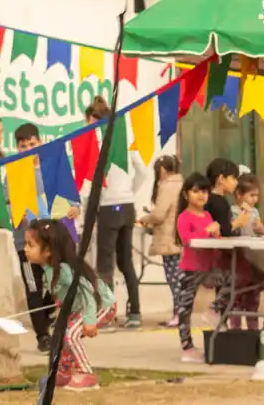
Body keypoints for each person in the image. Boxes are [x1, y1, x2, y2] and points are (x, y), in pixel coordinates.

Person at [25, 219, 115, 392]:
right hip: (81, 308)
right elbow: (64, 296)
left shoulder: (65, 271)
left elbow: (88, 291)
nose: (26, 249)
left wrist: (90, 320)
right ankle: (65, 372)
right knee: (61, 335)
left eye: (31, 245)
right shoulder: (49, 270)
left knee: (71, 336)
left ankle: (86, 373)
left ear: (49, 250)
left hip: (101, 305)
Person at [83, 96, 143, 329]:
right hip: (127, 206)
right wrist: (130, 191)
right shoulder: (125, 140)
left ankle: (106, 314)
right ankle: (135, 312)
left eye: (88, 123)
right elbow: (143, 171)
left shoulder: (95, 143)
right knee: (126, 262)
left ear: (95, 121)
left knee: (105, 264)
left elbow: (91, 183)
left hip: (108, 207)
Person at [12, 123, 56, 352]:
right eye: (23, 146)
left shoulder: (51, 167)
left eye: (32, 144)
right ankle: (42, 336)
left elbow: (67, 195)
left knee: (58, 283)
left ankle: (47, 314)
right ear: (17, 148)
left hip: (51, 241)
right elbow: (5, 205)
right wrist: (14, 215)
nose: (28, 149)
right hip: (25, 244)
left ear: (40, 143)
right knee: (33, 287)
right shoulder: (14, 173)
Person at [172, 172, 218, 362]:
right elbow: (187, 240)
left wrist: (216, 234)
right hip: (190, 268)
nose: (201, 195)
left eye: (205, 191)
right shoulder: (184, 217)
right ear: (186, 195)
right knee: (185, 309)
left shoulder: (208, 215)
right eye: (196, 191)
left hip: (209, 267)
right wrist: (207, 231)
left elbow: (213, 239)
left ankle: (214, 309)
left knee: (230, 280)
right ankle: (187, 348)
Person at [137, 155, 183, 328]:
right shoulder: (181, 183)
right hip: (179, 237)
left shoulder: (167, 186)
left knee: (174, 279)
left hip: (168, 238)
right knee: (179, 278)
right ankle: (179, 314)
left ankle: (178, 315)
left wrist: (145, 218)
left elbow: (159, 214)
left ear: (162, 170)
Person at [203, 157, 248, 322]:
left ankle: (220, 321)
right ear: (222, 179)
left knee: (224, 286)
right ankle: (215, 309)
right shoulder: (220, 203)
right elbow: (225, 230)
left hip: (210, 254)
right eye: (234, 178)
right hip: (221, 255)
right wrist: (239, 222)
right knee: (240, 276)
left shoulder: (207, 199)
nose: (236, 182)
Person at [227, 173, 264, 329]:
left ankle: (253, 331)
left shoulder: (255, 212)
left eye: (257, 196)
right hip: (238, 258)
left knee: (253, 297)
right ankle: (235, 331)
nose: (255, 199)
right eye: (251, 195)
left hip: (253, 258)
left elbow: (260, 232)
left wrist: (262, 229)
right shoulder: (232, 211)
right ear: (239, 194)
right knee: (236, 297)